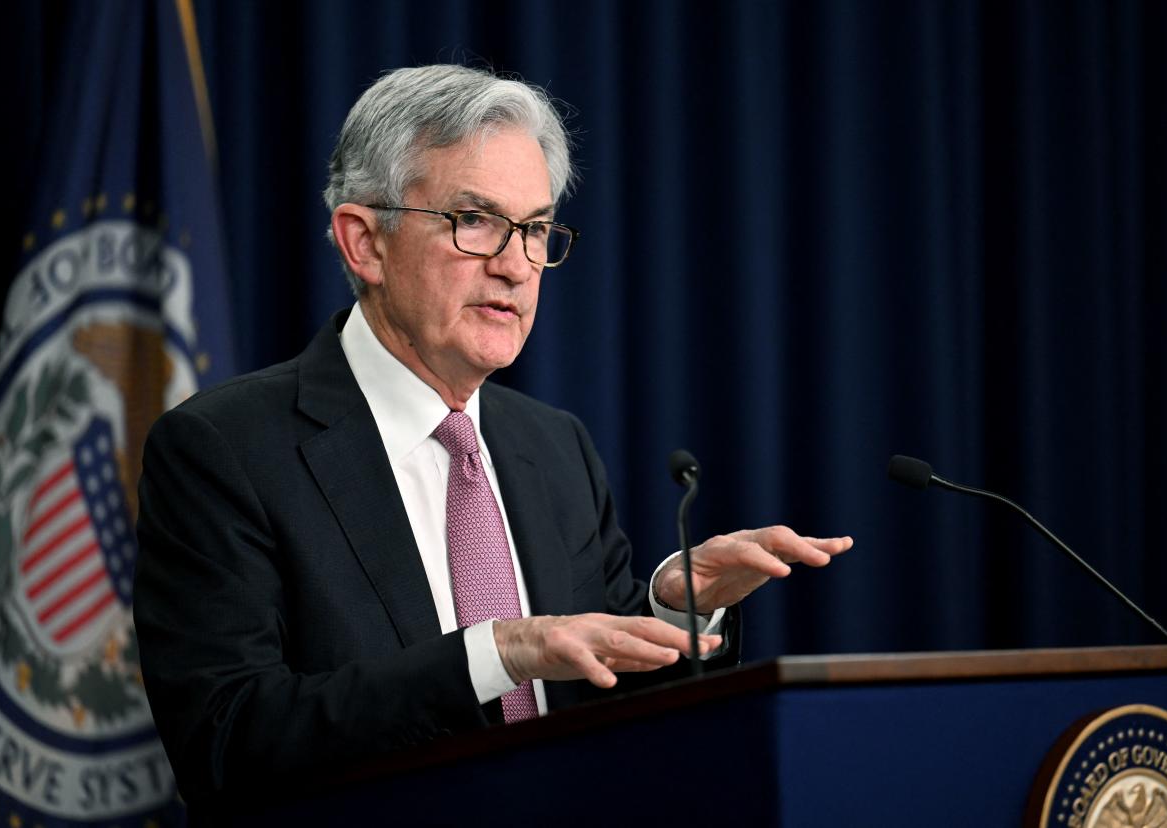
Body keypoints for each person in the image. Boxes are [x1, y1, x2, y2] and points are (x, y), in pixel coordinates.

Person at [133, 64, 852, 813]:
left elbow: (606, 711)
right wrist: (496, 655)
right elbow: (227, 744)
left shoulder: (554, 447)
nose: (515, 266)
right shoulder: (224, 451)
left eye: (536, 229)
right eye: (474, 221)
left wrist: (675, 609)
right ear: (364, 243)